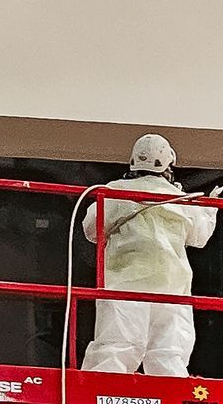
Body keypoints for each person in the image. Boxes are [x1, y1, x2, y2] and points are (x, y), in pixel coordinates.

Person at [79, 133, 215, 377]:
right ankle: (172, 399)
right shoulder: (181, 199)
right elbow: (200, 236)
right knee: (168, 352)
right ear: (168, 166)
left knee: (116, 346)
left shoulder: (113, 192)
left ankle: (99, 394)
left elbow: (91, 229)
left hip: (125, 283)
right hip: (172, 286)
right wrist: (211, 208)